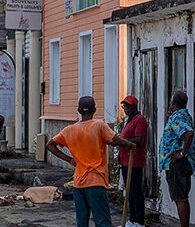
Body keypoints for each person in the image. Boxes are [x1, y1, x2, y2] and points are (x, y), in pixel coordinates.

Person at [46, 96, 135, 227]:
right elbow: (116, 139)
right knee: (102, 221)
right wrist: (130, 144)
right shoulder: (99, 125)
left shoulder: (69, 130)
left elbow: (50, 145)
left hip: (78, 184)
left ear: (78, 110)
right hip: (95, 182)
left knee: (82, 222)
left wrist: (69, 159)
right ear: (94, 110)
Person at [160, 91, 195, 227]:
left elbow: (188, 133)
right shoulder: (185, 115)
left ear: (174, 103)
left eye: (171, 102)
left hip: (177, 163)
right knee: (183, 198)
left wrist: (182, 153)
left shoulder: (177, 118)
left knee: (180, 198)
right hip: (183, 163)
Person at [118, 95, 148, 227]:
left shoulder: (140, 120)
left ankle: (139, 221)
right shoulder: (129, 120)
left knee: (135, 191)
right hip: (125, 160)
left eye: (128, 107)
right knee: (129, 190)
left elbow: (139, 139)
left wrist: (123, 141)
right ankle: (132, 219)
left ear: (135, 107)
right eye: (124, 106)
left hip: (134, 161)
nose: (126, 109)